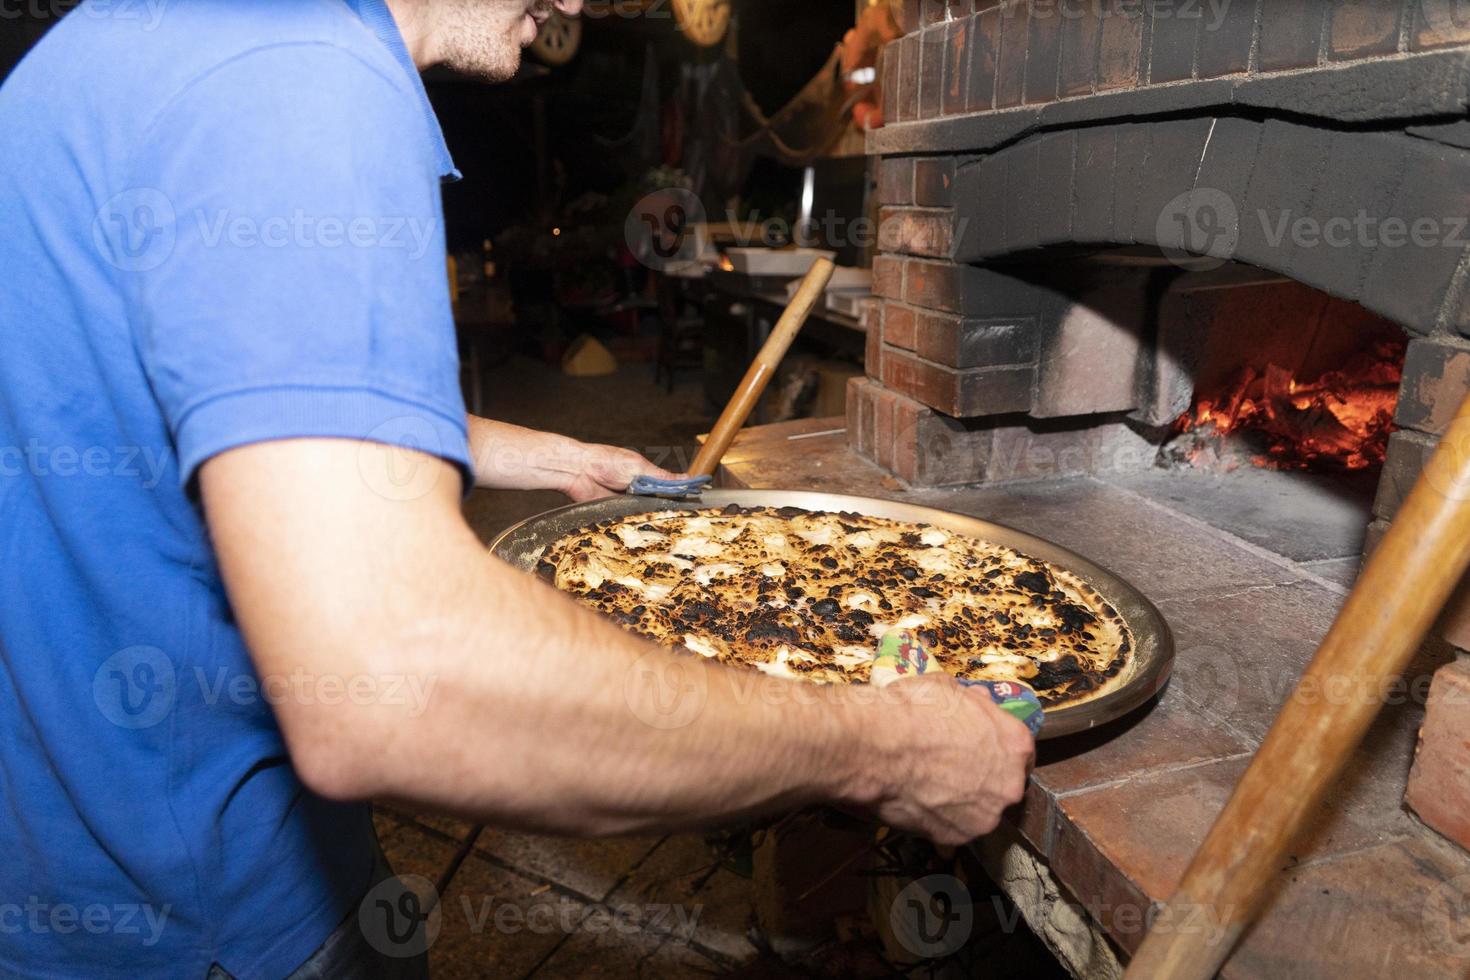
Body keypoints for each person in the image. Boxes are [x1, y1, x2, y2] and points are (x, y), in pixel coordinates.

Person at [0, 1, 1035, 976]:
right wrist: (886, 749)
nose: (583, 8)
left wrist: (541, 455)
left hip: (64, 857)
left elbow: (183, 396)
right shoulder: (296, 78)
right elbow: (400, 676)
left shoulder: (144, 43)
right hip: (215, 913)